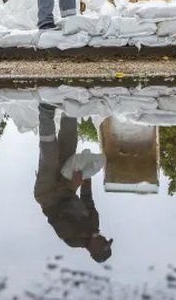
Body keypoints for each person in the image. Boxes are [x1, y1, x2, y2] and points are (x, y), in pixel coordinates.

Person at [34, 103, 113, 263]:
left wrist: (72, 186)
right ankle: (69, 105)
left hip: (48, 195)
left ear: (94, 250)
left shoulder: (72, 239)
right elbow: (87, 199)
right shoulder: (94, 223)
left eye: (103, 243)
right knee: (69, 144)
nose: (103, 239)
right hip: (66, 185)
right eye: (106, 241)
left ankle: (46, 112)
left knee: (49, 158)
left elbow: (59, 210)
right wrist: (86, 174)